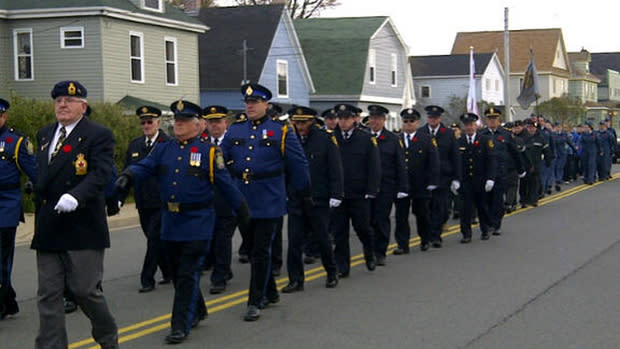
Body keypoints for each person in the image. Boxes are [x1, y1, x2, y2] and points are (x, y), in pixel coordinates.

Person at [116, 100, 249, 344]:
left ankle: (180, 325)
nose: (179, 124)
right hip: (170, 221)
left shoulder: (210, 152)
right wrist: (128, 175)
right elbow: (147, 165)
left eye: (185, 120)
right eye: (177, 120)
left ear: (198, 125)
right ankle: (198, 309)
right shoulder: (165, 149)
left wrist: (242, 211)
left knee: (187, 274)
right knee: (177, 274)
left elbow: (226, 186)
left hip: (197, 222)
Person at [31, 80, 118, 349]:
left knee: (84, 291)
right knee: (48, 295)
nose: (62, 105)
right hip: (49, 224)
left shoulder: (97, 134)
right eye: (58, 100)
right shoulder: (45, 134)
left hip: (82, 226)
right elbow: (44, 172)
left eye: (69, 101)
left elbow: (102, 173)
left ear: (83, 105)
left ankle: (107, 337)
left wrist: (76, 196)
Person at [220, 83, 310, 322]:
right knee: (252, 248)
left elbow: (298, 164)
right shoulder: (235, 130)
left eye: (255, 103)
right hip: (242, 198)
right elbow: (219, 159)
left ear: (266, 105)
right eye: (247, 103)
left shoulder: (280, 131)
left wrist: (302, 193)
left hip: (269, 198)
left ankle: (254, 300)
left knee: (260, 251)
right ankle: (270, 291)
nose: (250, 106)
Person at [282, 106, 342, 293]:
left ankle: (332, 272)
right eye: (297, 122)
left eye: (304, 122)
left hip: (318, 198)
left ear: (312, 122)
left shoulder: (325, 139)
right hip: (296, 198)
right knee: (294, 242)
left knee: (323, 238)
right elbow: (284, 168)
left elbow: (335, 168)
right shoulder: (289, 140)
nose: (300, 126)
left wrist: (336, 194)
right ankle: (296, 279)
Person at [118, 106, 172, 293]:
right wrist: (119, 199)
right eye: (143, 122)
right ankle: (169, 270)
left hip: (161, 201)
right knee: (153, 238)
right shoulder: (135, 145)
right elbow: (128, 172)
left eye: (150, 122)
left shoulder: (168, 143)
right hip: (142, 201)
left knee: (154, 239)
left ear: (158, 123)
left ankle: (147, 278)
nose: (146, 125)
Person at [331, 103, 381, 277]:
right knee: (339, 232)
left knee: (362, 228)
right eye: (340, 118)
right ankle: (342, 266)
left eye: (346, 118)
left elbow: (374, 166)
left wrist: (372, 189)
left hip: (359, 193)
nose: (343, 122)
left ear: (354, 119)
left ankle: (369, 252)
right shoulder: (332, 138)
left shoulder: (365, 138)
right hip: (339, 193)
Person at [0, 98, 36, 319]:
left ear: (3, 116)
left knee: (2, 258)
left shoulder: (16, 141)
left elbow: (35, 172)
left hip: (6, 207)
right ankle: (8, 300)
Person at [365, 105, 408, 264]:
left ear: (384, 120)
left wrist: (402, 187)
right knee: (367, 220)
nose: (374, 121)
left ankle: (380, 252)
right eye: (372, 118)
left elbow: (400, 165)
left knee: (381, 219)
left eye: (378, 118)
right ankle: (369, 251)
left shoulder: (393, 140)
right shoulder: (363, 137)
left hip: (386, 186)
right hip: (366, 187)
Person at [201, 105, 237, 294]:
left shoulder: (234, 143)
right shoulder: (201, 143)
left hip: (228, 200)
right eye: (210, 122)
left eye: (218, 122)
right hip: (207, 200)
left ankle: (219, 277)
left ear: (226, 123)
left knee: (223, 239)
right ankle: (224, 269)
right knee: (212, 239)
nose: (214, 126)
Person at [393, 108, 439, 253]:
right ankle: (402, 244)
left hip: (421, 183)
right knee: (401, 216)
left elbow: (434, 162)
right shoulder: (397, 139)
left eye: (411, 121)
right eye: (405, 121)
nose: (408, 124)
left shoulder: (426, 139)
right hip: (401, 184)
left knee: (421, 214)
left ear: (417, 123)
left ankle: (425, 239)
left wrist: (433, 181)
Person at [418, 105, 460, 248]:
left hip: (443, 177)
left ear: (440, 119)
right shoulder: (421, 132)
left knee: (441, 209)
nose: (432, 120)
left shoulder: (448, 133)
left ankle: (436, 235)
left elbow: (455, 157)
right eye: (430, 117)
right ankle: (428, 235)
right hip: (425, 178)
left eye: (435, 118)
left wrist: (456, 178)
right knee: (425, 209)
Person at [479, 107, 524, 235]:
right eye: (489, 119)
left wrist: (520, 169)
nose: (492, 121)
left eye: (494, 119)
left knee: (498, 201)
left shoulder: (505, 134)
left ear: (499, 120)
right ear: (486, 120)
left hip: (501, 173)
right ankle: (487, 223)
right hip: (485, 174)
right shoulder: (481, 135)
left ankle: (496, 224)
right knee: (485, 201)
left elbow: (515, 153)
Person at [456, 113, 496, 243]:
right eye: (467, 125)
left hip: (480, 180)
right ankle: (466, 234)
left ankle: (485, 230)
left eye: (472, 125)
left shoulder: (485, 140)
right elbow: (455, 162)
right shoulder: (458, 141)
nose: (469, 128)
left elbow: (491, 161)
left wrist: (490, 178)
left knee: (482, 207)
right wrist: (455, 179)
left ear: (476, 126)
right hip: (465, 181)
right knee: (465, 210)